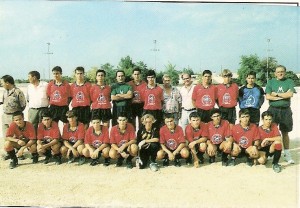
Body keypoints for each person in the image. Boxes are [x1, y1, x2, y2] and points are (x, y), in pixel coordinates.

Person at [265, 65, 295, 164]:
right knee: (271, 131)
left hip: (285, 110)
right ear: (275, 73)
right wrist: (283, 95)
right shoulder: (271, 82)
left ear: (285, 72)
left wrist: (276, 94)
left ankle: (286, 153)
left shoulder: (289, 81)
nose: (280, 73)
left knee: (285, 132)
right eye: (278, 72)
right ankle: (271, 152)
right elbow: (268, 96)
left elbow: (290, 94)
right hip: (273, 110)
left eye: (282, 71)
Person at [0, 75, 26, 139]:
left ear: (7, 83)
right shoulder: (5, 91)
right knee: (6, 136)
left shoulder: (18, 92)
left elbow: (23, 105)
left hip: (14, 117)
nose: (1, 84)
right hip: (5, 116)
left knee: (15, 136)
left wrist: (17, 116)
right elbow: (2, 102)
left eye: (2, 83)